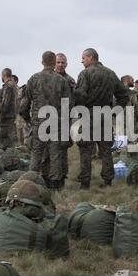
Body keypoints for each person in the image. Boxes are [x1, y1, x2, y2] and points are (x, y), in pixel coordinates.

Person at [74, 48, 129, 189]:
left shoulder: (85, 73)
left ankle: (85, 183)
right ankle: (108, 181)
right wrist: (114, 112)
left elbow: (80, 95)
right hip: (105, 115)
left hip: (88, 115)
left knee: (86, 149)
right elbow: (123, 95)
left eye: (83, 58)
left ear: (91, 57)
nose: (82, 61)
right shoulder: (110, 73)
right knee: (106, 150)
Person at [20, 51, 72, 190]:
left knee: (37, 153)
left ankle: (31, 183)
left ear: (42, 62)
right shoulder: (61, 80)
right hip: (56, 122)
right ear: (54, 62)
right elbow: (68, 105)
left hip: (39, 121)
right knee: (55, 154)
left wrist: (28, 119)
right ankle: (54, 186)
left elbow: (25, 103)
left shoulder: (34, 79)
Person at [55, 53, 76, 186]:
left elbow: (74, 99)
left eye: (63, 62)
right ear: (54, 63)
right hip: (49, 117)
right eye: (58, 62)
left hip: (64, 118)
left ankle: (62, 175)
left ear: (66, 64)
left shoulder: (70, 80)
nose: (61, 65)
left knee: (62, 148)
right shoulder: (49, 77)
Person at [0, 68, 16, 149]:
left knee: (4, 137)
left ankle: (7, 156)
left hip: (6, 115)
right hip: (12, 114)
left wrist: (0, 115)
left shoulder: (8, 86)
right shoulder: (14, 85)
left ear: (3, 75)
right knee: (9, 136)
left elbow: (6, 102)